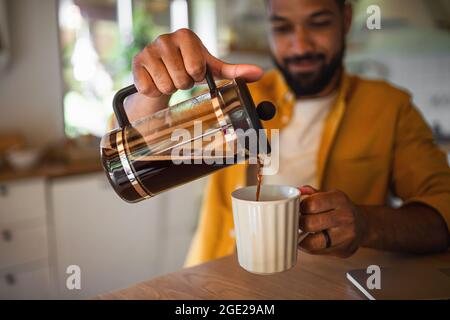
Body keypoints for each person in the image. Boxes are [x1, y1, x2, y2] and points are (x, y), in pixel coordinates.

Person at [129, 0, 450, 266]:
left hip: (330, 289)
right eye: (282, 28)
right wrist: (153, 93)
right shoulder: (236, 100)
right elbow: (140, 155)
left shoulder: (390, 107)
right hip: (214, 290)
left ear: (346, 19)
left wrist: (367, 224)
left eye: (318, 23)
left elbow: (443, 214)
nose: (300, 45)